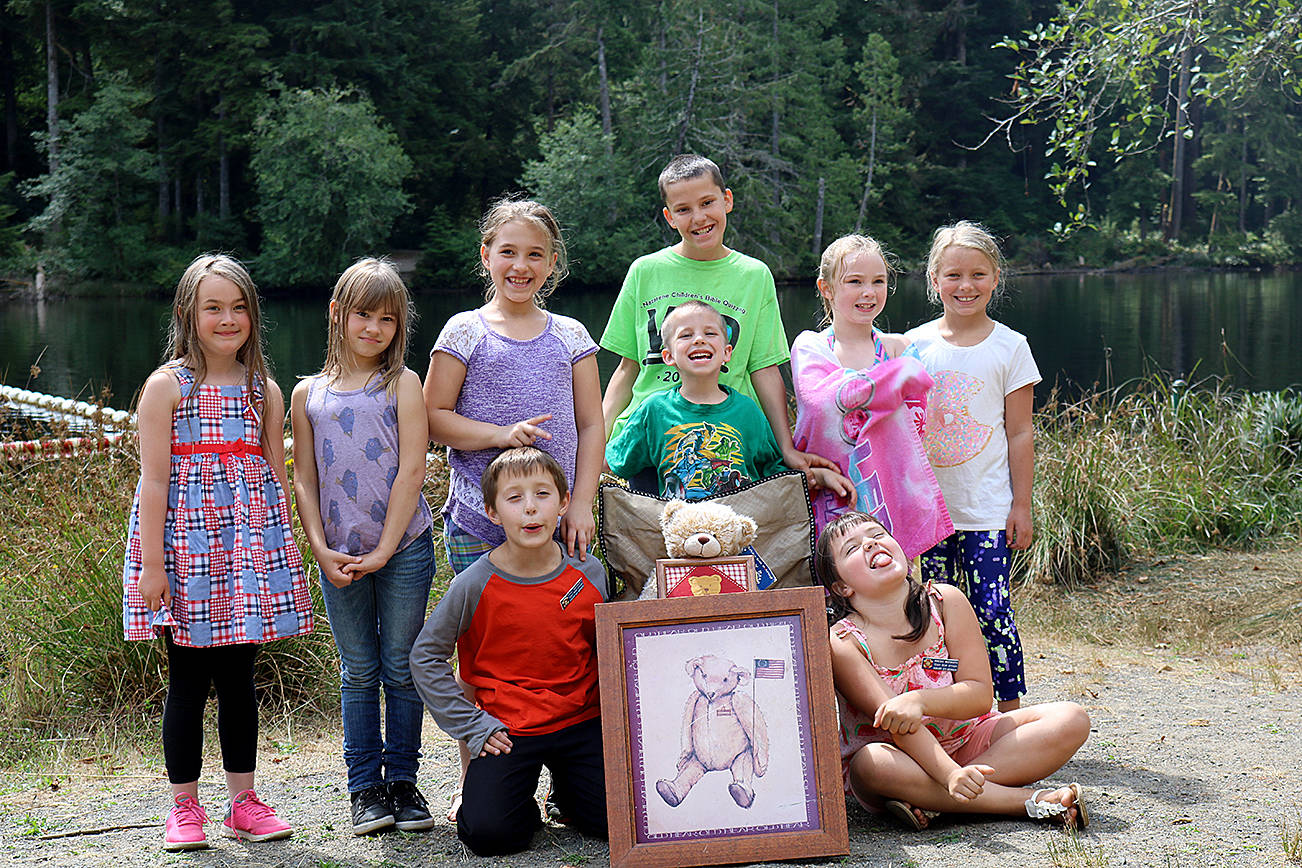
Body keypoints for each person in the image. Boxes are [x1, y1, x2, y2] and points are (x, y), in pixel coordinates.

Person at [122, 254, 312, 851]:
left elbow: (274, 477)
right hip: (185, 551)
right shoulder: (167, 387)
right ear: (188, 314)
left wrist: (282, 555)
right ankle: (183, 806)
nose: (227, 319)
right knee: (187, 678)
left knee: (238, 677)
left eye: (238, 308)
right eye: (214, 308)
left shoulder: (264, 390)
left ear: (252, 315)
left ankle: (243, 801)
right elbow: (154, 482)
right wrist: (153, 563)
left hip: (248, 550)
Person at [424, 197, 603, 818]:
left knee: (559, 640)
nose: (520, 265)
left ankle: (567, 761)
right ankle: (481, 761)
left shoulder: (572, 335)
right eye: (508, 252)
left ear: (552, 263)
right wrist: (501, 435)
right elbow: (435, 419)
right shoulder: (463, 331)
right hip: (480, 519)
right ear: (486, 256)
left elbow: (589, 425)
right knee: (487, 652)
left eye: (534, 254)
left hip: (560, 522)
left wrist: (581, 503)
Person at [815, 511, 1090, 831]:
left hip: (969, 739)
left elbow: (978, 695)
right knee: (871, 764)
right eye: (852, 548)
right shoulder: (844, 641)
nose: (870, 544)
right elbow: (898, 726)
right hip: (900, 758)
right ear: (841, 587)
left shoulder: (945, 601)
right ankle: (1025, 801)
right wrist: (947, 774)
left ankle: (937, 800)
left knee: (1072, 719)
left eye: (877, 534)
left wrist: (920, 702)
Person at [290, 258, 436, 836]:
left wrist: (385, 548)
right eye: (363, 315)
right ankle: (363, 789)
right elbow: (303, 476)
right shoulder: (308, 393)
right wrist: (319, 548)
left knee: (401, 669)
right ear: (336, 314)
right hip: (339, 555)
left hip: (402, 551)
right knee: (358, 672)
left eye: (388, 320)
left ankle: (403, 780)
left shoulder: (401, 383)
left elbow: (411, 469)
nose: (374, 328)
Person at [409, 447, 608, 857]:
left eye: (542, 494)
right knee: (488, 835)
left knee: (613, 821)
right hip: (507, 730)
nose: (530, 509)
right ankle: (516, 801)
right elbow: (426, 656)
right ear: (493, 511)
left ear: (564, 502)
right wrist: (472, 725)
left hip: (582, 722)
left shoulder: (590, 573)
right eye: (515, 498)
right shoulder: (473, 583)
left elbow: (610, 652)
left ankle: (570, 793)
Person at [599, 153, 836, 489]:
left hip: (724, 440)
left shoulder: (753, 276)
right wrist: (598, 440)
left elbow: (765, 370)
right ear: (669, 217)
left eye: (707, 202)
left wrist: (785, 447)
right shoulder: (645, 271)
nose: (698, 217)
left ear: (727, 200)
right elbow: (627, 369)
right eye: (683, 209)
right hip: (648, 438)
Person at [904, 221, 1041, 712]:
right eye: (953, 275)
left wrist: (1020, 505)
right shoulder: (911, 346)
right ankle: (951, 712)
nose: (966, 286)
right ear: (934, 279)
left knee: (991, 610)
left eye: (978, 275)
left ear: (996, 278)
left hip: (985, 510)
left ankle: (1008, 710)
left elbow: (1020, 432)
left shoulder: (1011, 347)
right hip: (928, 515)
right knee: (934, 614)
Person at [791, 234, 953, 557]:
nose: (868, 292)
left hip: (888, 497)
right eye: (854, 281)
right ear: (826, 288)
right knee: (834, 585)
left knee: (889, 587)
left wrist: (873, 396)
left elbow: (916, 423)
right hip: (829, 495)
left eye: (878, 281)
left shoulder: (899, 347)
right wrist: (890, 384)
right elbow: (820, 402)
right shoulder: (811, 346)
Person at [606, 299, 853, 502]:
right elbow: (612, 461)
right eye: (686, 335)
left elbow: (775, 476)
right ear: (668, 356)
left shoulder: (747, 411)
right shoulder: (654, 411)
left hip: (737, 538)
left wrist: (818, 477)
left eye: (710, 333)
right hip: (676, 539)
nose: (699, 340)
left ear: (727, 353)